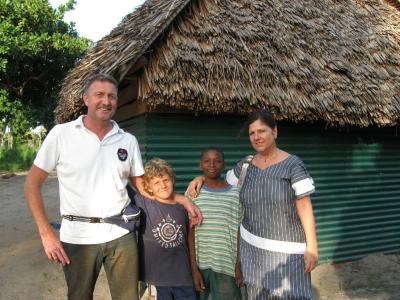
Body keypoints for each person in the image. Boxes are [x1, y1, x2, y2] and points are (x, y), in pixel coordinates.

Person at [24, 73, 201, 300]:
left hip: (121, 235)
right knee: (79, 296)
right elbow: (31, 184)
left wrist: (183, 199)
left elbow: (145, 188)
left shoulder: (127, 140)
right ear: (86, 99)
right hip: (78, 237)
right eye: (99, 95)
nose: (106, 101)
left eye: (112, 96)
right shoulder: (62, 134)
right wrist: (46, 233)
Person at [188, 111, 318, 300]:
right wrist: (200, 177)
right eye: (252, 133)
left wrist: (312, 247)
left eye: (262, 131)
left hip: (288, 254)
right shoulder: (245, 166)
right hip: (252, 252)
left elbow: (305, 206)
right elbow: (220, 180)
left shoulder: (293, 165)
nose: (256, 137)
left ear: (274, 131)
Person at [129, 158, 196, 300]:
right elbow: (122, 174)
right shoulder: (144, 203)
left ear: (172, 179)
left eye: (166, 180)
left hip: (183, 279)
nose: (163, 185)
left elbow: (191, 241)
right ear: (148, 187)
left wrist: (200, 178)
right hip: (156, 281)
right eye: (156, 183)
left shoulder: (184, 208)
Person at [187, 147, 242, 300]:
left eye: (217, 161)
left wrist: (239, 264)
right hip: (201, 264)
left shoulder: (234, 194)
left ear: (224, 165)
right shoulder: (193, 193)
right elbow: (190, 233)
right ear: (200, 165)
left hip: (227, 266)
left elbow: (238, 231)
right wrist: (193, 268)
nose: (212, 165)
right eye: (207, 161)